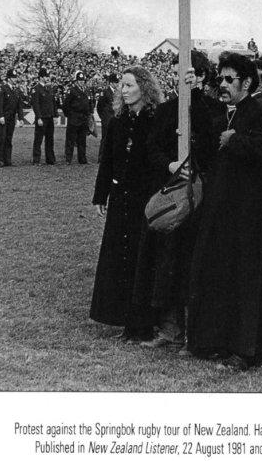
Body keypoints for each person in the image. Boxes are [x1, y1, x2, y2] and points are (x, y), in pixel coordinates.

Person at [187, 53, 262, 371]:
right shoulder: (223, 114)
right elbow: (206, 147)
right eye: (221, 79)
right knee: (219, 274)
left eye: (230, 79)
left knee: (246, 278)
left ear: (246, 83)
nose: (223, 85)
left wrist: (234, 140)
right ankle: (214, 341)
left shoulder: (261, 113)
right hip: (220, 208)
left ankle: (246, 348)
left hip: (249, 212)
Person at [138, 50, 221, 350]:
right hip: (174, 191)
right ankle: (170, 329)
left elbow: (213, 141)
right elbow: (152, 148)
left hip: (203, 192)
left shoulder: (212, 107)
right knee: (168, 259)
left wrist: (195, 96)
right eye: (174, 73)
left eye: (184, 74)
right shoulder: (166, 110)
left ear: (199, 76)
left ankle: (194, 334)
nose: (178, 79)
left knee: (195, 262)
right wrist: (170, 165)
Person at [90, 66, 165, 340]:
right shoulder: (117, 122)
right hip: (120, 198)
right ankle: (123, 319)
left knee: (141, 259)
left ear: (143, 87)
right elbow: (107, 161)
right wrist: (100, 195)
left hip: (145, 199)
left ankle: (143, 323)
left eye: (129, 85)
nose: (124, 89)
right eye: (122, 85)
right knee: (119, 259)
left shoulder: (156, 119)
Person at [62, 71, 92, 164]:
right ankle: (68, 159)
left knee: (82, 140)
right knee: (70, 140)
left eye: (83, 80)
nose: (82, 82)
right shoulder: (72, 90)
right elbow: (65, 105)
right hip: (74, 118)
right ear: (76, 81)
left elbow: (90, 103)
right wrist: (70, 115)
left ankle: (82, 159)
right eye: (80, 80)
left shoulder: (87, 91)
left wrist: (89, 114)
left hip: (83, 118)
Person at [0, 69, 21, 167]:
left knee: (9, 139)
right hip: (3, 117)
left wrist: (20, 118)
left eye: (16, 77)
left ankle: (7, 159)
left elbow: (19, 105)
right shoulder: (2, 88)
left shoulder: (16, 90)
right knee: (1, 139)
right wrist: (0, 115)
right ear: (8, 79)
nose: (15, 79)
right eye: (13, 77)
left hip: (11, 118)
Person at [30, 68, 57, 165]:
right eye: (45, 76)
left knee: (50, 139)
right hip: (42, 117)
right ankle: (36, 159)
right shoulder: (36, 89)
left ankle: (50, 159)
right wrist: (39, 117)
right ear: (41, 77)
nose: (47, 78)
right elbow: (36, 104)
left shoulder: (48, 88)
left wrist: (55, 115)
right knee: (38, 139)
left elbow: (52, 103)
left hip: (49, 117)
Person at [96, 73, 118, 161]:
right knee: (105, 139)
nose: (117, 84)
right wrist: (103, 117)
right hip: (107, 119)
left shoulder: (117, 93)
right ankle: (101, 157)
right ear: (111, 83)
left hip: (115, 119)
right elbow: (99, 107)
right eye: (115, 82)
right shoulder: (105, 92)